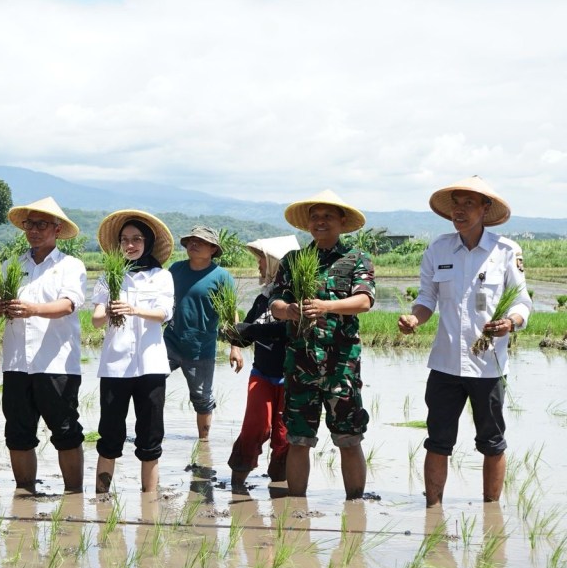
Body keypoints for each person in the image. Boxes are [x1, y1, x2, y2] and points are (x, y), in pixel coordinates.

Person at [397, 176, 530, 507]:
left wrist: (511, 323)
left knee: (492, 441)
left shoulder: (506, 251)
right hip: (444, 365)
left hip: (488, 367)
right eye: (456, 203)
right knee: (437, 441)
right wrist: (416, 318)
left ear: (485, 209)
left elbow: (522, 302)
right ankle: (433, 511)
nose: (460, 210)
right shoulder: (438, 249)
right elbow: (427, 298)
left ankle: (490, 513)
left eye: (468, 203)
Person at [270, 190, 375, 500]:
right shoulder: (293, 260)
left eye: (327, 216)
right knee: (299, 439)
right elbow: (274, 302)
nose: (320, 222)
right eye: (315, 217)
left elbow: (365, 300)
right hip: (300, 364)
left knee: (349, 437)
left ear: (341, 222)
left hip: (341, 366)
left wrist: (327, 307)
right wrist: (288, 310)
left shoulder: (356, 259)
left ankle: (355, 507)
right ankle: (297, 509)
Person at [0, 197, 87, 494]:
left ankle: (74, 496)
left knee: (66, 431)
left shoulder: (71, 266)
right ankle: (25, 494)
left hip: (56, 364)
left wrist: (32, 309)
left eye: (41, 224)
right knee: (18, 434)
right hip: (17, 364)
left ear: (57, 230)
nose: (33, 230)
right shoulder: (12, 265)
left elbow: (68, 304)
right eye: (29, 224)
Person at [91, 210, 174, 494]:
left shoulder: (161, 277)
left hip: (151, 367)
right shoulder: (108, 277)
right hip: (114, 367)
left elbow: (164, 313)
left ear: (147, 242)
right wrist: (109, 310)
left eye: (137, 239)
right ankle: (101, 500)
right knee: (110, 435)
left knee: (150, 437)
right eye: (125, 239)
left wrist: (134, 309)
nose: (130, 245)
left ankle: (148, 503)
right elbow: (96, 319)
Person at [226, 235, 300, 494]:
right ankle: (237, 485)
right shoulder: (263, 299)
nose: (258, 265)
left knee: (283, 435)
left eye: (261, 259)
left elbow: (283, 331)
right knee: (254, 427)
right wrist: (232, 336)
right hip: (262, 375)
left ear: (276, 263)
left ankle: (279, 489)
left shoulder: (297, 299)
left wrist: (250, 331)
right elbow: (247, 333)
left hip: (290, 377)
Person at [163, 225, 243, 440]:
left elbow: (230, 314)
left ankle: (204, 444)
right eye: (190, 241)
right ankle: (150, 433)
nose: (193, 244)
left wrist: (235, 347)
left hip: (201, 347)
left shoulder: (221, 276)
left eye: (200, 242)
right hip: (169, 342)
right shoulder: (175, 270)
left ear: (213, 249)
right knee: (151, 384)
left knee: (201, 398)